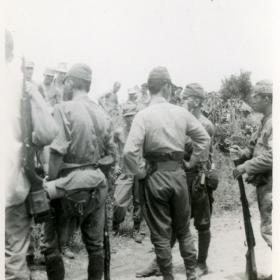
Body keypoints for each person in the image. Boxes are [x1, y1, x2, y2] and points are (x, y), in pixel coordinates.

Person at [123, 66, 210, 280]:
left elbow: (128, 151)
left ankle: (168, 277)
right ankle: (191, 273)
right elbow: (204, 139)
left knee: (161, 234)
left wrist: (140, 173)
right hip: (179, 175)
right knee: (183, 229)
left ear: (149, 89)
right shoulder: (181, 113)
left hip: (154, 176)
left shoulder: (142, 116)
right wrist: (192, 162)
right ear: (167, 87)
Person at [42, 63, 115, 280]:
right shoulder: (102, 113)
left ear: (72, 82)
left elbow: (56, 151)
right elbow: (111, 156)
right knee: (95, 246)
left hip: (67, 187)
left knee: (52, 247)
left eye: (65, 82)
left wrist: (51, 183)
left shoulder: (63, 109)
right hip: (96, 185)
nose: (63, 87)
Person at [5, 30, 58, 280]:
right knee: (15, 257)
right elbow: (48, 132)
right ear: (12, 54)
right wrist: (29, 139)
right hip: (11, 182)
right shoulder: (24, 87)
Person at [231, 80, 272, 279]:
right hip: (265, 183)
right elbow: (256, 146)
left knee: (270, 229)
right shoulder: (265, 120)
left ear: (267, 98)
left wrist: (245, 166)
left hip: (273, 185)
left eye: (256, 96)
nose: (252, 99)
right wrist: (243, 153)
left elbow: (273, 155)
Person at [181, 83, 216, 276]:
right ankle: (159, 261)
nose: (183, 101)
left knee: (202, 223)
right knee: (175, 220)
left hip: (198, 178)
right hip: (182, 176)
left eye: (186, 98)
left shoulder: (205, 124)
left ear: (196, 101)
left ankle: (201, 263)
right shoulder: (184, 120)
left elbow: (191, 149)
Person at [112, 103, 144, 243]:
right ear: (123, 117)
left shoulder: (142, 131)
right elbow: (111, 148)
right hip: (124, 170)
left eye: (132, 116)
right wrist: (115, 165)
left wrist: (146, 164)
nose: (130, 119)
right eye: (127, 116)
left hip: (138, 169)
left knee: (139, 201)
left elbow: (148, 148)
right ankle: (115, 226)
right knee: (118, 202)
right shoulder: (118, 132)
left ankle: (136, 229)